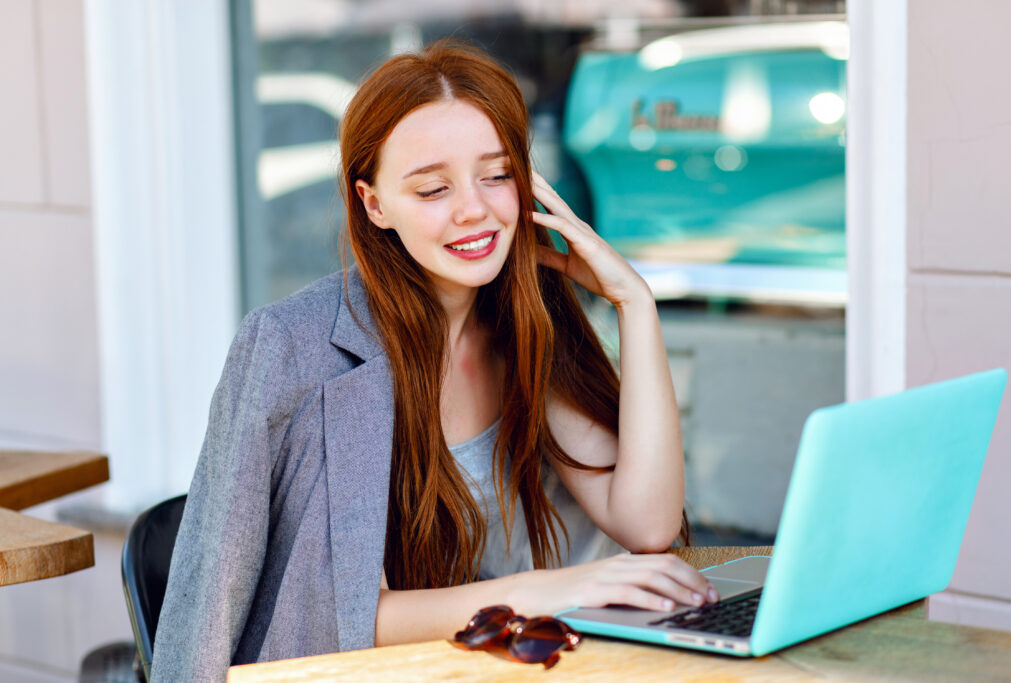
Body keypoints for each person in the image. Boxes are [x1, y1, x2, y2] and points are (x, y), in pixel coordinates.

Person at [151, 40, 717, 682]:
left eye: (497, 174)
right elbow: (336, 613)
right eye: (432, 188)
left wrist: (633, 303)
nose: (472, 208)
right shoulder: (294, 347)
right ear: (374, 204)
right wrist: (542, 591)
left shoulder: (525, 315)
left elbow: (647, 522)